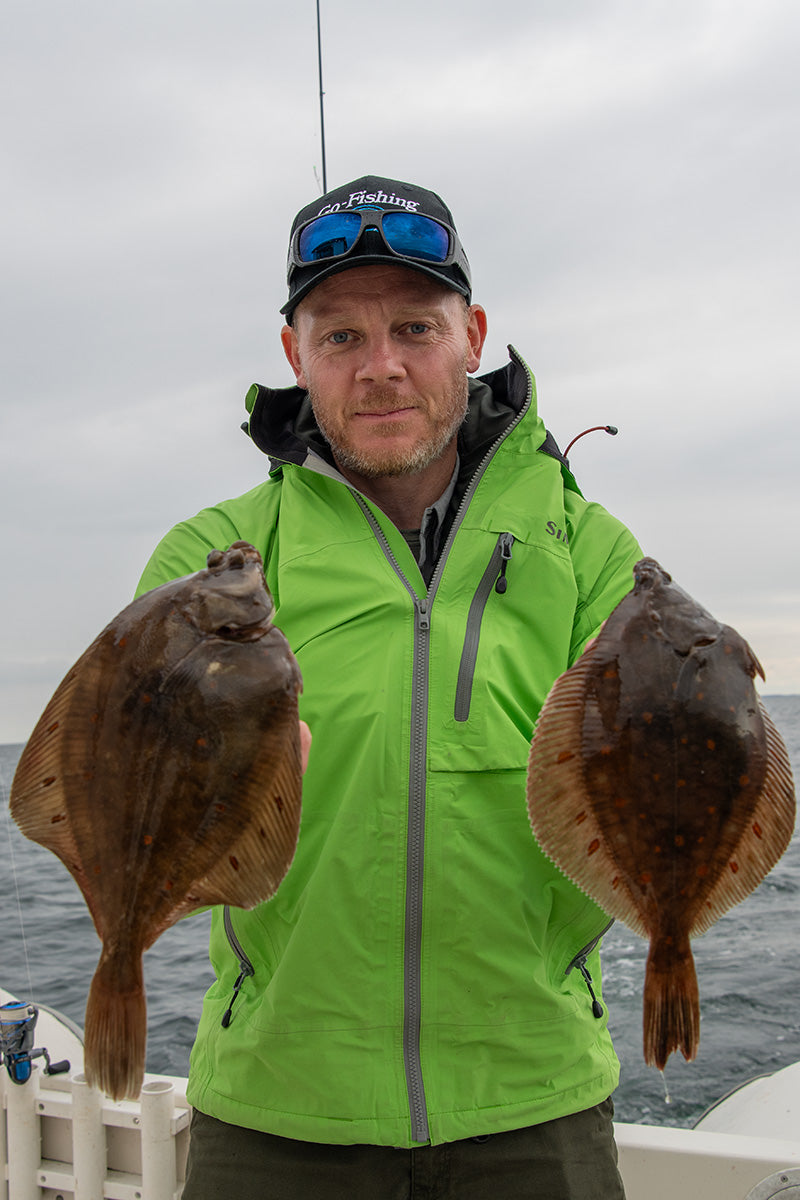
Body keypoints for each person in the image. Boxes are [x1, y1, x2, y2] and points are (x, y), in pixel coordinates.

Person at [136, 175, 641, 1199]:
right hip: (277, 1102)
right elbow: (141, 795)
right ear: (294, 355)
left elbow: (659, 777)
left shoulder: (588, 551)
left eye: (414, 326)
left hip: (530, 1096)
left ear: (471, 334)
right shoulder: (215, 561)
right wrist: (193, 834)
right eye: (339, 338)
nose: (381, 369)